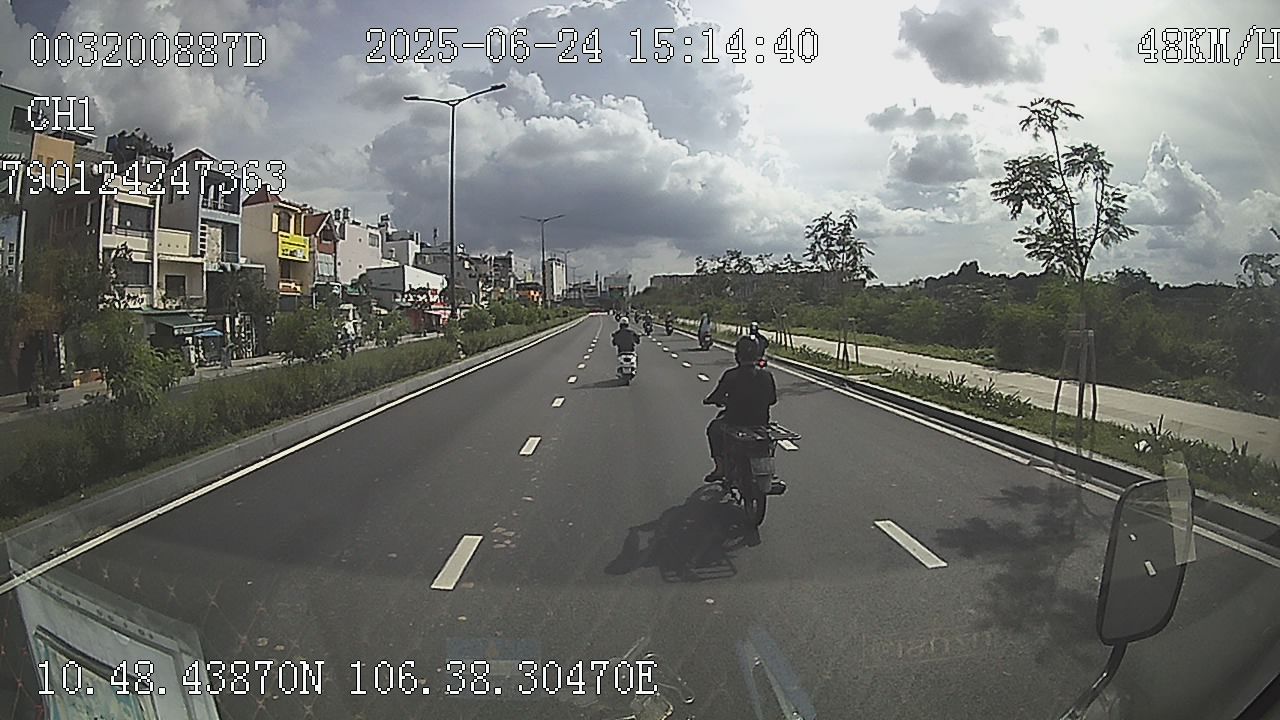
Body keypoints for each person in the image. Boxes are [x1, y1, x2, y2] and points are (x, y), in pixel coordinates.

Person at [702, 335, 778, 482]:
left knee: (713, 429)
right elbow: (772, 400)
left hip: (734, 421)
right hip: (760, 422)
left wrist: (709, 400)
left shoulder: (730, 375)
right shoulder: (766, 375)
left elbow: (716, 395)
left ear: (738, 355)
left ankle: (720, 468)